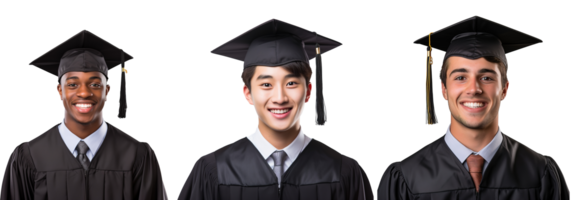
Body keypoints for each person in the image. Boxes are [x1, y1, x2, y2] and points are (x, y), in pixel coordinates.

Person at [375, 15, 571, 200]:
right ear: (442, 89)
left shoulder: (541, 174)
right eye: (460, 77)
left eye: (486, 78)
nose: (474, 89)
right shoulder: (405, 178)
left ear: (505, 89)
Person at [176, 18, 375, 200]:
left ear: (309, 91)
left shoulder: (343, 171)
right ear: (247, 93)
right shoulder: (213, 170)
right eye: (266, 85)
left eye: (291, 83)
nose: (279, 98)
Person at [0, 29, 169, 200]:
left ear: (108, 91)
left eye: (95, 84)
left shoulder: (137, 155)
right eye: (72, 84)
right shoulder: (29, 157)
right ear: (59, 91)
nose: (84, 93)